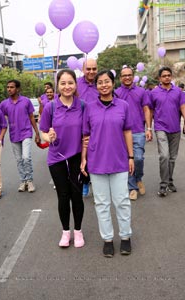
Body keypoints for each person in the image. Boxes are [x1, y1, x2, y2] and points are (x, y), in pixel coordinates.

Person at [81, 70, 134, 257]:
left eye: (107, 81)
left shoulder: (123, 106)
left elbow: (127, 131)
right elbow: (86, 135)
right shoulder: (89, 107)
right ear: (96, 86)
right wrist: (84, 160)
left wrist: (131, 156)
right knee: (101, 203)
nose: (103, 85)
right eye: (100, 82)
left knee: (122, 201)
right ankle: (108, 240)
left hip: (119, 161)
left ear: (113, 83)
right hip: (97, 162)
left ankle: (126, 237)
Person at [39, 69, 85, 248]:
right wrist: (47, 137)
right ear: (58, 85)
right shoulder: (50, 107)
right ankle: (66, 232)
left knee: (77, 196)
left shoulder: (82, 106)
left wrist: (85, 158)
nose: (67, 86)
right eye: (63, 83)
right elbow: (43, 131)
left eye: (70, 83)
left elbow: (87, 133)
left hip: (76, 157)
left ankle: (78, 231)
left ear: (75, 84)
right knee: (63, 196)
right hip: (56, 158)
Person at [115, 66, 152, 201]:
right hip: (122, 133)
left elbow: (146, 109)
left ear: (133, 76)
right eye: (124, 75)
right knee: (127, 160)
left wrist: (149, 128)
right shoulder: (116, 93)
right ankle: (132, 187)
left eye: (129, 75)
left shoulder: (142, 92)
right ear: (120, 78)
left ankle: (138, 178)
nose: (127, 77)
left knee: (138, 158)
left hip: (138, 131)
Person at [0, 79, 40, 193]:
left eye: (11, 87)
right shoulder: (4, 104)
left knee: (26, 157)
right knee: (19, 160)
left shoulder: (26, 101)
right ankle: (23, 181)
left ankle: (30, 180)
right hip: (14, 135)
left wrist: (37, 133)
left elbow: (32, 117)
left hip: (26, 133)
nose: (9, 89)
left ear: (17, 89)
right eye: (8, 87)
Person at [150, 67, 185, 196]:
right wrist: (149, 127)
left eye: (169, 75)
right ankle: (163, 185)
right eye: (164, 75)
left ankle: (170, 181)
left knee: (172, 158)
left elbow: (182, 106)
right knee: (164, 156)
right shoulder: (154, 93)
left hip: (175, 129)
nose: (167, 77)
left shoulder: (178, 92)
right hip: (160, 128)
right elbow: (151, 110)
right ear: (160, 78)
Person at [77, 58, 99, 197]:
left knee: (96, 156)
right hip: (79, 126)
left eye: (94, 69)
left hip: (98, 126)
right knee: (82, 156)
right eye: (88, 69)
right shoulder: (76, 84)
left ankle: (96, 184)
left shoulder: (102, 82)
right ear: (83, 69)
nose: (91, 72)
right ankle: (85, 181)